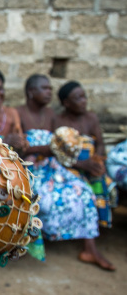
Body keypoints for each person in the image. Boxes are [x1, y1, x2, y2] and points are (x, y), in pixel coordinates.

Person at [41, 81, 116, 271]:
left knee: (102, 184)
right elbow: (57, 152)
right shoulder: (58, 122)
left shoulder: (91, 118)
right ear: (66, 103)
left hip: (91, 165)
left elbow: (99, 144)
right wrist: (82, 164)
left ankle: (92, 241)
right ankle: (90, 248)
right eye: (78, 98)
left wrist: (97, 161)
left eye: (84, 97)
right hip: (70, 166)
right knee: (82, 189)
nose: (83, 101)